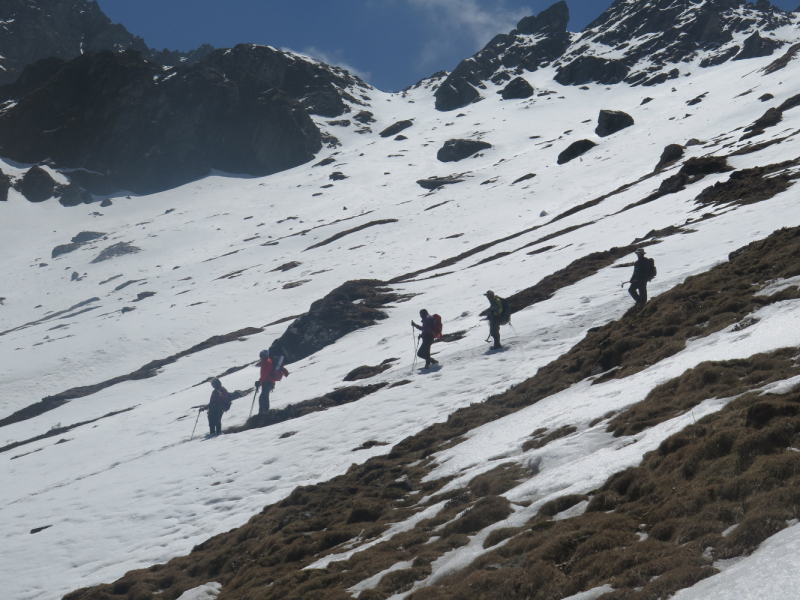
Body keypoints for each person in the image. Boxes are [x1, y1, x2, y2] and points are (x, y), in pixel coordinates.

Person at [255, 349, 289, 413]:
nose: (261, 357)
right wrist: (260, 382)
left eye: (263, 356)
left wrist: (259, 382)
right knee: (262, 397)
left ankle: (265, 411)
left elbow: (265, 374)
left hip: (268, 382)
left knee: (264, 396)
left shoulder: (267, 362)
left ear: (266, 356)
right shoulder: (265, 362)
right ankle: (262, 411)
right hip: (269, 382)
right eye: (261, 356)